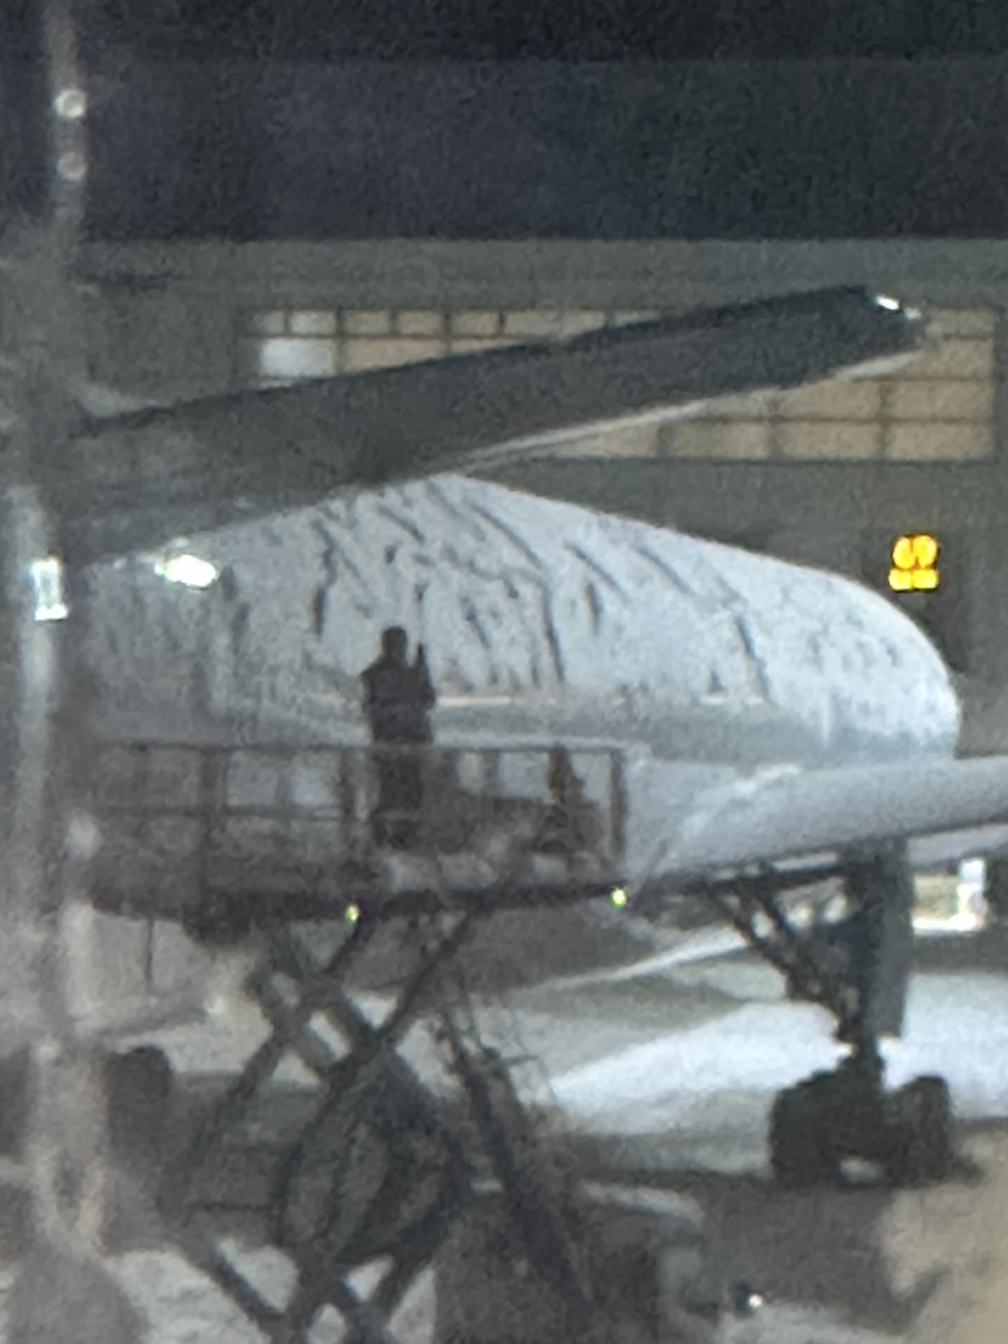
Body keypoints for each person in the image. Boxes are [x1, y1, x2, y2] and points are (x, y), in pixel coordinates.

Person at [361, 627, 436, 848]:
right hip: (398, 745)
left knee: (403, 793)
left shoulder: (379, 674)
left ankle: (400, 836)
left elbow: (426, 699)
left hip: (402, 745)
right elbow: (423, 698)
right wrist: (420, 672)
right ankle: (396, 837)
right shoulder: (382, 675)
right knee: (397, 793)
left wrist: (421, 670)